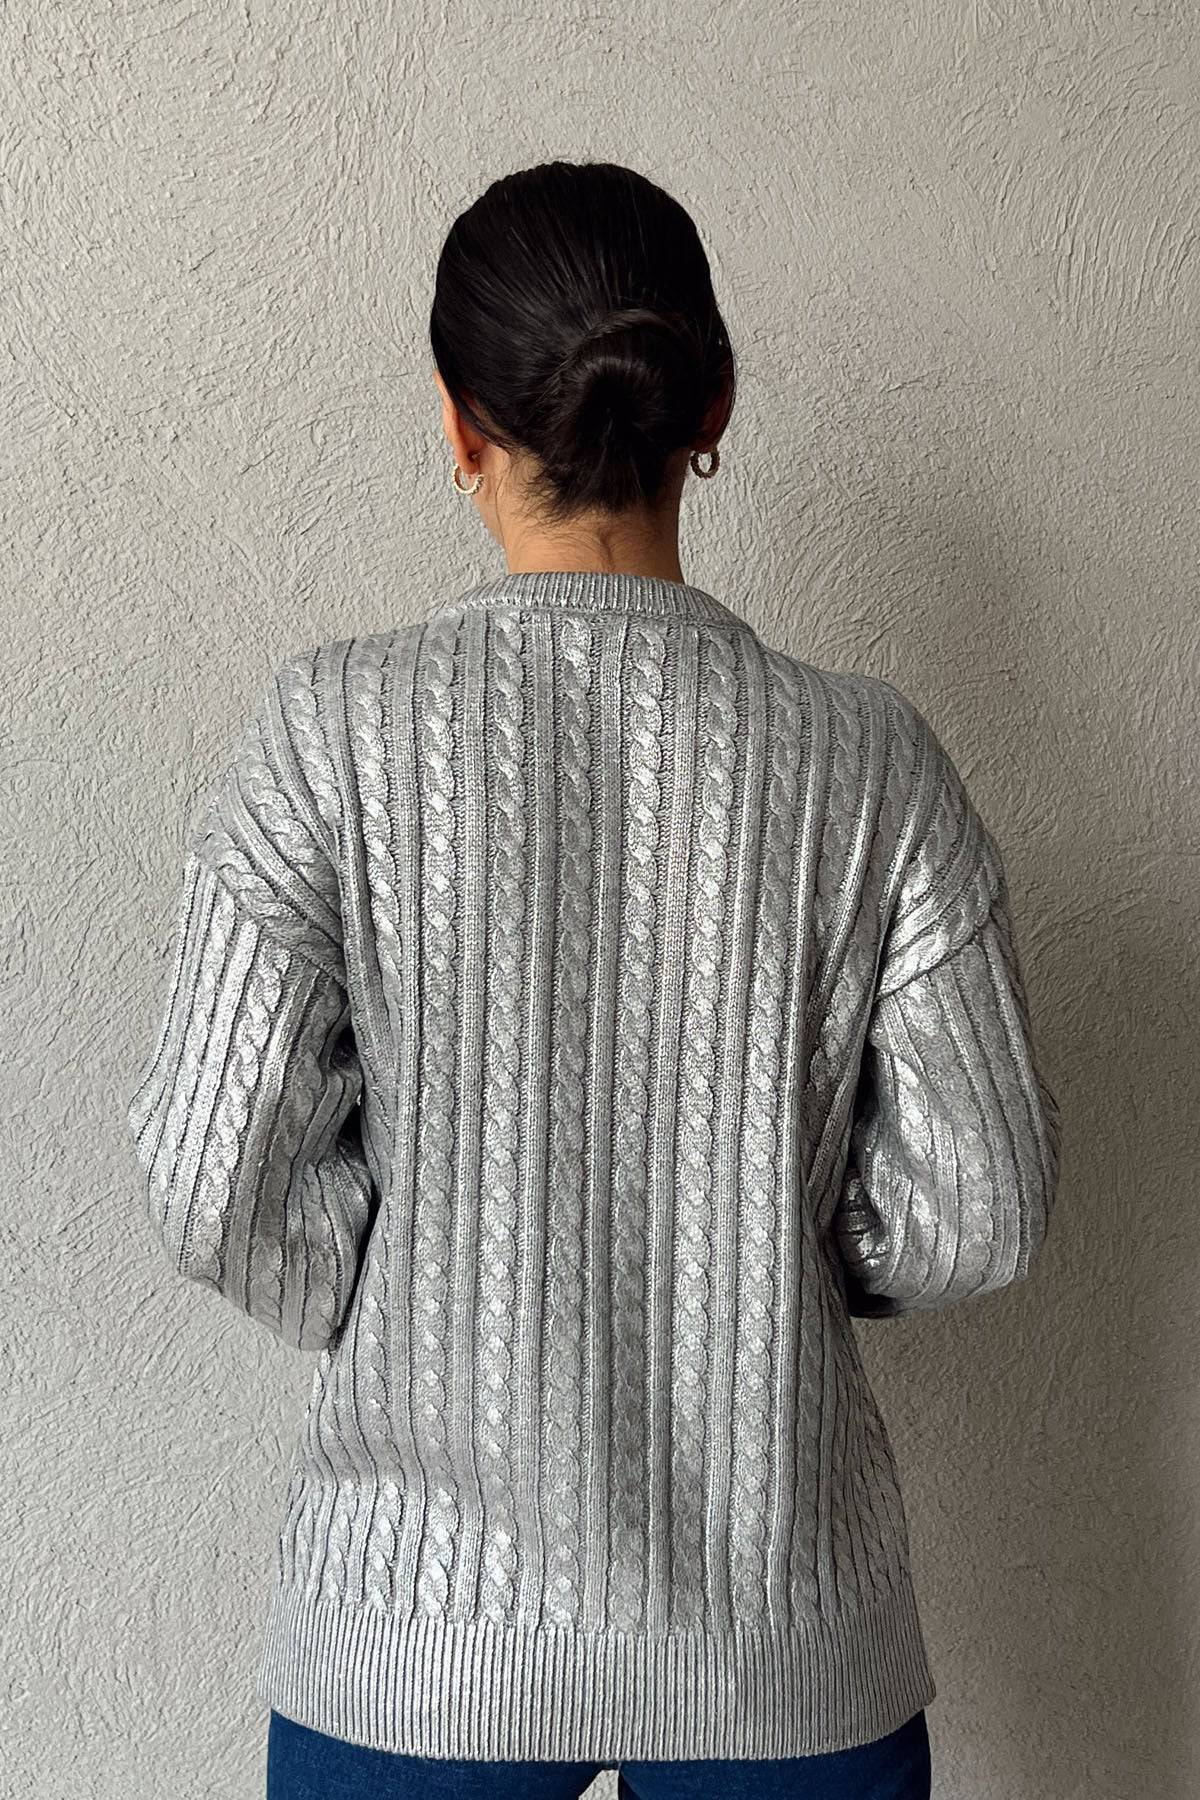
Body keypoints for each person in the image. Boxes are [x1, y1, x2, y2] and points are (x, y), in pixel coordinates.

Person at [126, 159, 1062, 1800]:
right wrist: (779, 1257)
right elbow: (982, 1202)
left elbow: (212, 1177)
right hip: (781, 1653)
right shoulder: (869, 763)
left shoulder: (331, 735)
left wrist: (385, 1281)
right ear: (711, 406)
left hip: (417, 1653)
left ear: (457, 423)